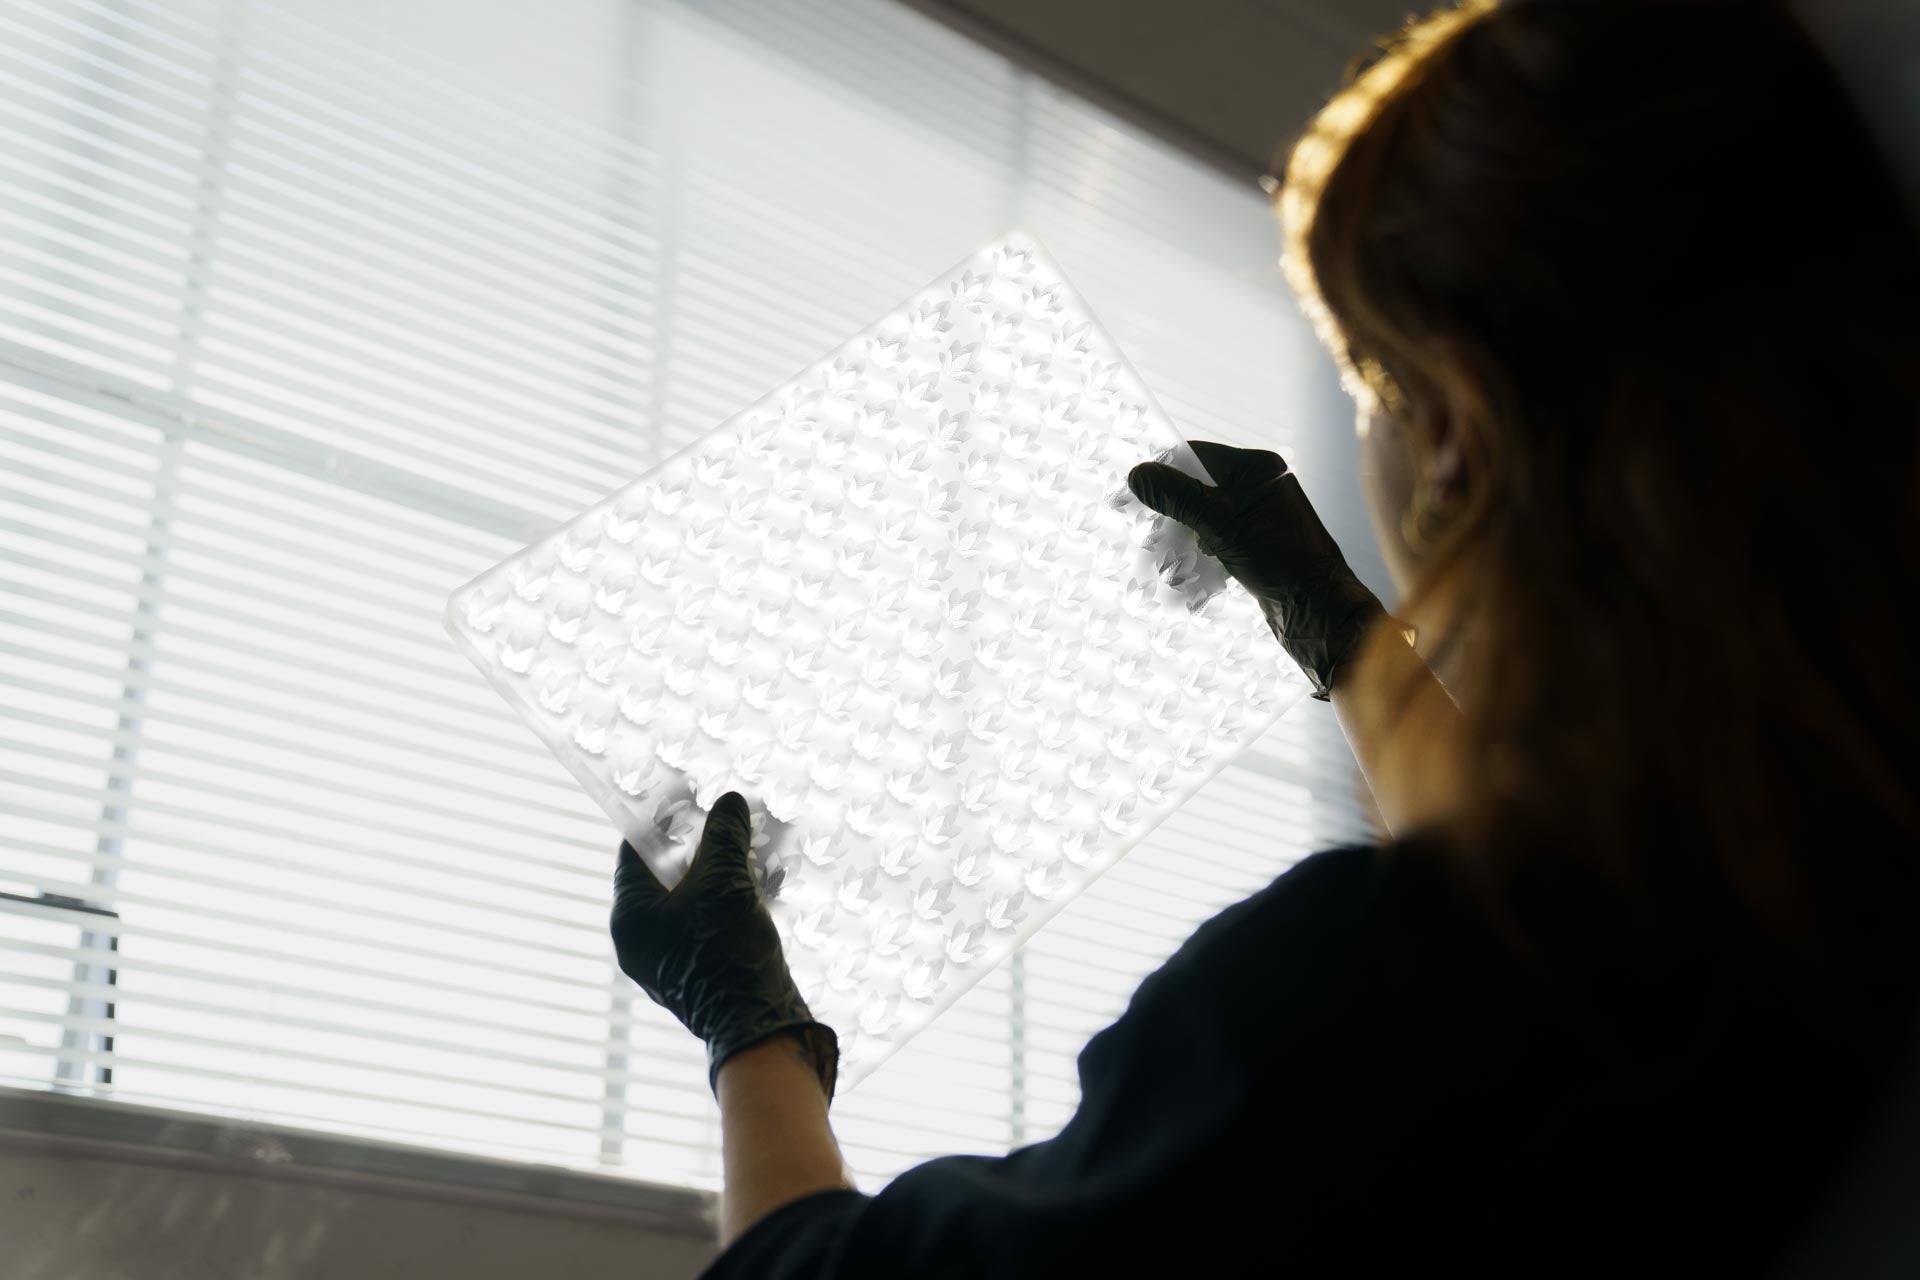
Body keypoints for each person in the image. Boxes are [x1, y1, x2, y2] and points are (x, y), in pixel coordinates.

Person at [608, 0, 1920, 1272]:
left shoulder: (1340, 1011)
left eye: (1368, 376)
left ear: (1452, 423)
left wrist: (750, 1020)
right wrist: (1338, 624)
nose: (1369, 425)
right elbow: (1537, 913)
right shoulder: (1811, 874)